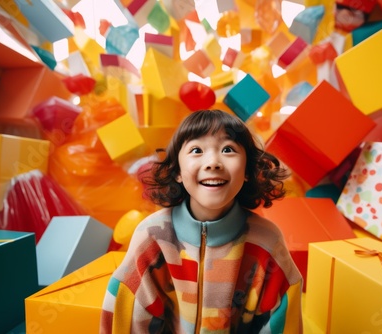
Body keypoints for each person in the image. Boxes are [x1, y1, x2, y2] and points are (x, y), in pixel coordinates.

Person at [100, 109, 303, 333]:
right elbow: (127, 310)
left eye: (228, 149)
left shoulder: (267, 242)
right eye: (196, 150)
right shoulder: (152, 236)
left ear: (247, 170)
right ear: (177, 171)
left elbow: (281, 321)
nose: (213, 162)